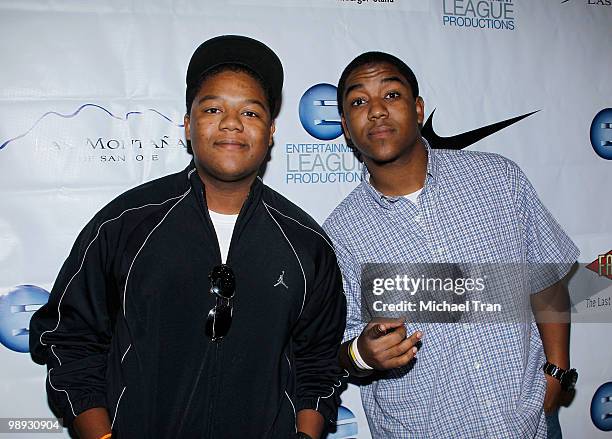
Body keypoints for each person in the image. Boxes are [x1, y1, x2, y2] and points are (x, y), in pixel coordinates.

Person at [29, 35, 346, 439]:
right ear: (187, 125)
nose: (231, 122)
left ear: (270, 133)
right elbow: (70, 342)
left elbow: (317, 364)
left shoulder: (306, 243)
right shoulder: (124, 224)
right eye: (213, 108)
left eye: (250, 112)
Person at [323, 51, 578, 438]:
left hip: (529, 423)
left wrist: (556, 373)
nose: (376, 111)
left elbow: (545, 280)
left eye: (391, 95)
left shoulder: (498, 180)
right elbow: (337, 348)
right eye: (359, 101)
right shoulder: (340, 234)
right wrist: (362, 352)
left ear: (419, 108)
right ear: (345, 126)